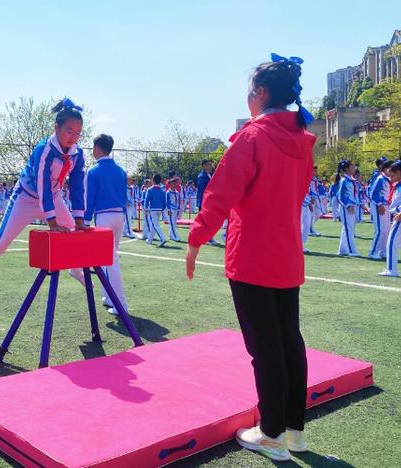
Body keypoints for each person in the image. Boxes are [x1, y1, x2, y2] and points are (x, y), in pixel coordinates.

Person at [186, 53, 316, 462]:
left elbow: (221, 194)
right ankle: (293, 430)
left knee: (266, 349)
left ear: (259, 94)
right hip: (286, 256)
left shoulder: (252, 137)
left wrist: (195, 239)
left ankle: (273, 434)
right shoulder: (302, 141)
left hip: (253, 256)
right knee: (290, 344)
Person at [0, 98, 88, 301]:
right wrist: (51, 221)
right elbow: (42, 183)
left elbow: (78, 184)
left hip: (53, 197)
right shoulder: (45, 150)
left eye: (78, 133)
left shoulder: (77, 154)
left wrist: (79, 217)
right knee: (1, 242)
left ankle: (76, 270)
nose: (73, 137)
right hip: (25, 198)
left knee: (74, 234)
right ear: (56, 127)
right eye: (69, 131)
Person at [84, 134, 129, 315]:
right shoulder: (121, 171)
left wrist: (85, 221)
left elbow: (90, 199)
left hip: (104, 217)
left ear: (97, 148)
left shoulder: (94, 171)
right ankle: (109, 297)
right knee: (107, 258)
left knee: (109, 260)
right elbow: (124, 197)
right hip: (119, 215)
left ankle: (120, 304)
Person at [368, 159, 393, 260]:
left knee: (386, 230)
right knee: (380, 230)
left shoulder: (387, 179)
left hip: (386, 206)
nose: (392, 172)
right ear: (386, 169)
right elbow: (372, 194)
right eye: (391, 169)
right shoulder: (380, 179)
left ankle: (382, 252)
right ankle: (373, 252)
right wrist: (379, 204)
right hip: (379, 206)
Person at [336, 159, 360, 257]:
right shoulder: (344, 181)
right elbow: (340, 196)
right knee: (349, 229)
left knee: (347, 228)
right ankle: (352, 250)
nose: (354, 168)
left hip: (352, 206)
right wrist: (348, 205)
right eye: (352, 166)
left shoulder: (351, 180)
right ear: (346, 169)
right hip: (346, 208)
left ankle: (342, 250)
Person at [144, 174, 167, 246]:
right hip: (160, 209)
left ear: (153, 181)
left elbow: (146, 200)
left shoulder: (150, 189)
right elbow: (164, 202)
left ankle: (162, 239)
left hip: (153, 209)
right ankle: (149, 240)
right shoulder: (162, 190)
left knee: (155, 224)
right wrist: (163, 209)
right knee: (154, 224)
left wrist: (146, 209)